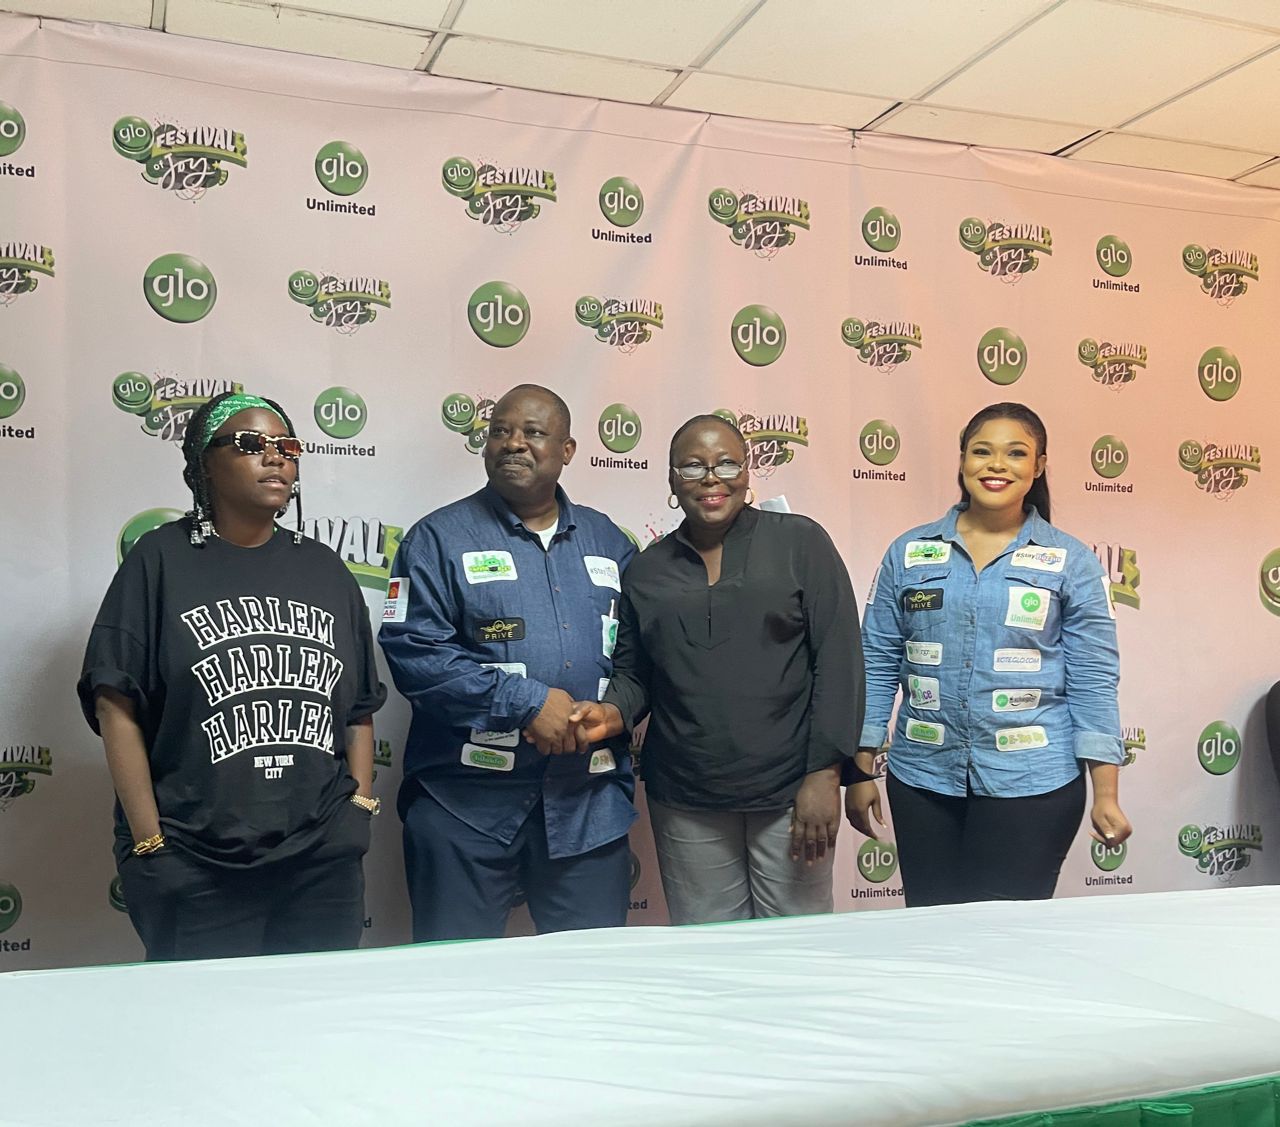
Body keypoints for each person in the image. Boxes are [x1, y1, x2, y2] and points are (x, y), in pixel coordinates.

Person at [78, 391, 386, 961]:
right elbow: (115, 703)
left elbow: (359, 707)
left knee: (318, 1009)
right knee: (206, 1016)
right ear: (204, 462)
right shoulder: (159, 560)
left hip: (320, 859)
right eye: (250, 444)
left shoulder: (323, 568)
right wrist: (150, 840)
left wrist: (358, 811)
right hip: (195, 859)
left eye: (287, 446)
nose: (275, 457)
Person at [569, 414, 863, 924]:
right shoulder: (647, 569)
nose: (711, 478)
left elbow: (839, 661)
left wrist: (824, 773)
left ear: (747, 472)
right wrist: (611, 713)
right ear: (671, 479)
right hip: (686, 794)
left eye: (727, 463)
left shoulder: (801, 542)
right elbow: (637, 673)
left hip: (789, 790)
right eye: (693, 466)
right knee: (709, 948)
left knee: (797, 947)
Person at [846, 402, 1132, 906]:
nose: (996, 465)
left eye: (1016, 453)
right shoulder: (909, 552)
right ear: (962, 460)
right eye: (982, 451)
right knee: (932, 930)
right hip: (923, 779)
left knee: (1007, 938)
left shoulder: (1072, 561)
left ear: (1039, 466)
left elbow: (1092, 677)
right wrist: (861, 767)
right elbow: (877, 660)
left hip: (1034, 784)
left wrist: (1106, 793)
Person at [380, 384, 636, 941]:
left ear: (567, 450)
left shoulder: (608, 541)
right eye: (500, 431)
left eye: (533, 433)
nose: (513, 443)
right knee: (457, 979)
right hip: (464, 807)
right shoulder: (437, 539)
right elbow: (415, 651)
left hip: (586, 808)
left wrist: (616, 712)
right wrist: (528, 705)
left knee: (592, 979)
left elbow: (639, 657)